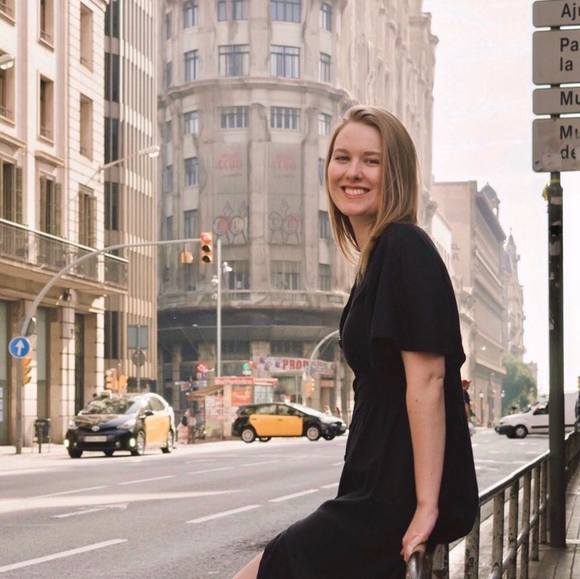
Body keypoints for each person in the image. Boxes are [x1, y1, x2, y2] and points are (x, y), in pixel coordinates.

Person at [233, 105, 479, 579]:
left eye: (371, 161)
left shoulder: (405, 247)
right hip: (374, 485)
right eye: (342, 158)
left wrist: (425, 505)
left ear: (396, 173)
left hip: (390, 494)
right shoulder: (379, 255)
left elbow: (428, 379)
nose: (352, 172)